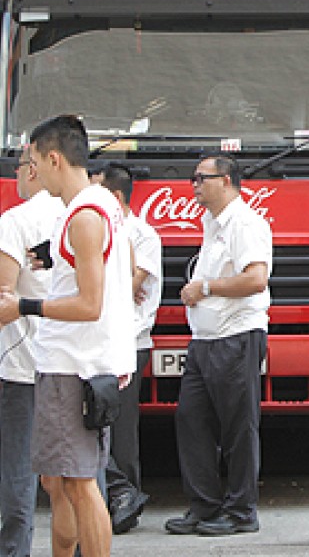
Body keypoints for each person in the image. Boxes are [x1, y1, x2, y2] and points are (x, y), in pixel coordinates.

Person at [0, 114, 135, 557]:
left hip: (74, 365)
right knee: (59, 480)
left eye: (34, 161)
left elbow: (89, 304)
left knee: (78, 484)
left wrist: (24, 306)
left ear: (54, 158)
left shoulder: (84, 217)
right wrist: (54, 260)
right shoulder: (100, 205)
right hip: (88, 363)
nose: (31, 171)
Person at [165, 153, 271, 537]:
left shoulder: (245, 223)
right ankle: (204, 505)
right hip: (205, 339)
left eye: (201, 178)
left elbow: (256, 279)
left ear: (226, 181)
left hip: (236, 337)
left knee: (237, 427)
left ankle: (242, 511)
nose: (194, 185)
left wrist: (206, 287)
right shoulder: (212, 223)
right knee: (190, 419)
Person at [90, 163, 162, 534]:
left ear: (115, 197)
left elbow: (123, 285)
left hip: (130, 341)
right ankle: (115, 496)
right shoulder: (95, 229)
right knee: (95, 424)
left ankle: (127, 498)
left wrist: (114, 282)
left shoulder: (141, 234)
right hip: (99, 338)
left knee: (121, 428)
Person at [0, 145, 64, 557]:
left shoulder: (16, 220)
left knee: (18, 475)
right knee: (76, 477)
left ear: (36, 168)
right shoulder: (93, 215)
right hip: (76, 364)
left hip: (23, 366)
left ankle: (14, 551)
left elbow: (3, 294)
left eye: (22, 168)